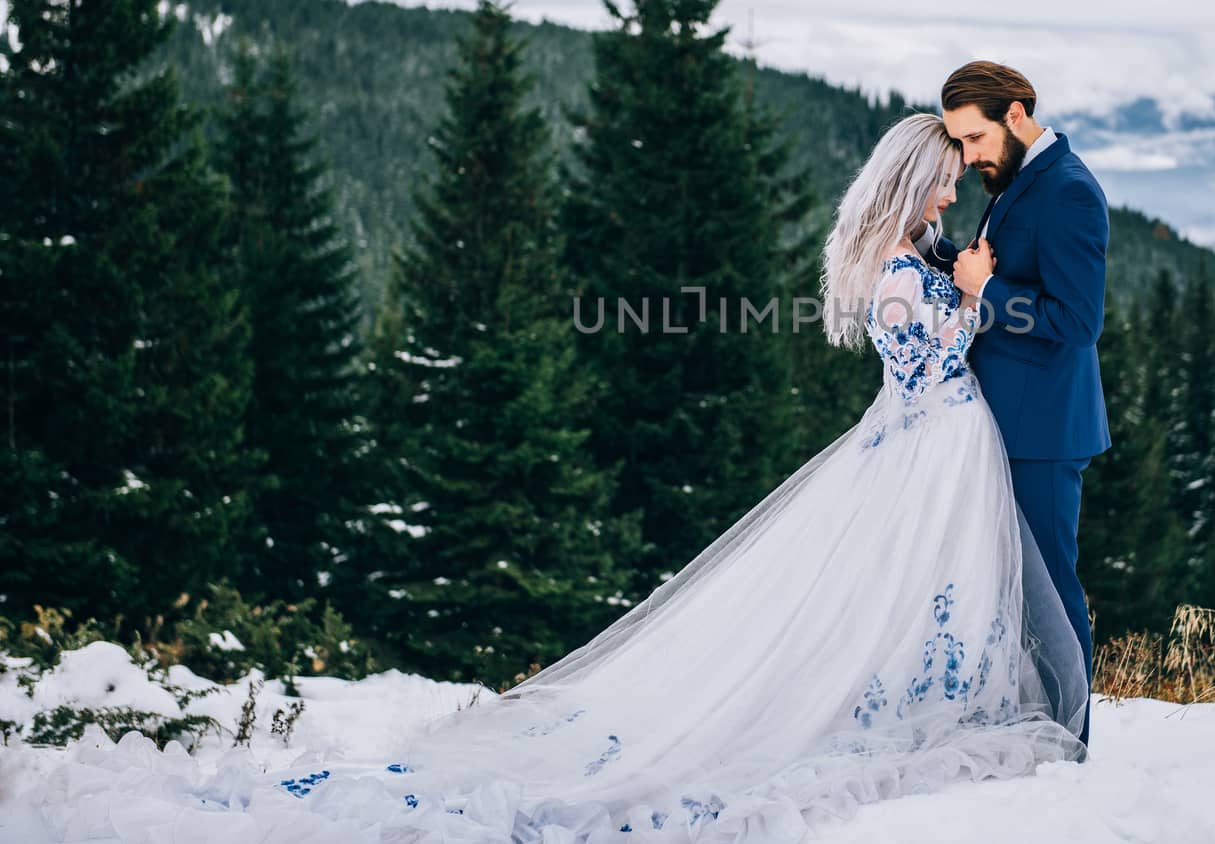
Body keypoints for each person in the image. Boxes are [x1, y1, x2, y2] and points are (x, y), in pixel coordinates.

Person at [42, 114, 1087, 844]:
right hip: (928, 443)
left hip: (941, 453)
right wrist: (977, 296)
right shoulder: (908, 270)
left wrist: (963, 280)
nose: (956, 182)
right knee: (910, 595)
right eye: (945, 171)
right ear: (915, 178)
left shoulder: (910, 251)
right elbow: (923, 369)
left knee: (921, 602)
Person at [912, 60, 1111, 748]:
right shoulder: (1024, 179)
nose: (967, 159)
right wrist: (933, 255)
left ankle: (1073, 739)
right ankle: (1034, 728)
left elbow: (1079, 321)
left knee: (1052, 588)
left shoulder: (1069, 193)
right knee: (1014, 588)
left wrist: (988, 292)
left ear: (1016, 115)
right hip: (1006, 419)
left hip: (1044, 430)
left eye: (973, 140)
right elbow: (989, 272)